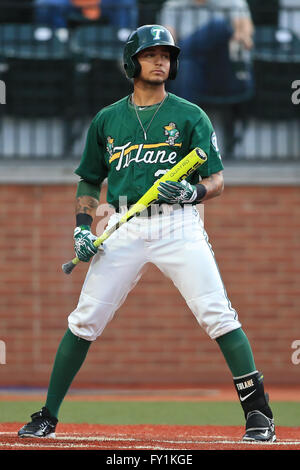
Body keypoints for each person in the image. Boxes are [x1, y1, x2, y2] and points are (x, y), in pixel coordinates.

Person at [18, 24, 276, 443]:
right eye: (151, 54)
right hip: (121, 223)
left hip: (177, 225)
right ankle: (47, 414)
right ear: (131, 61)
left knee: (217, 314)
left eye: (167, 55)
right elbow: (88, 181)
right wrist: (82, 230)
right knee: (85, 319)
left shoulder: (190, 115)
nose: (161, 61)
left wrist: (193, 191)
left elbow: (217, 180)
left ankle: (258, 414)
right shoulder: (107, 119)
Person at [160, 0, 255, 103]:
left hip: (226, 71)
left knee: (218, 26)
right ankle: (184, 118)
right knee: (186, 66)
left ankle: (177, 56)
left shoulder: (233, 3)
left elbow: (244, 36)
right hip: (192, 72)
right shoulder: (174, 5)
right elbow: (167, 42)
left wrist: (240, 35)